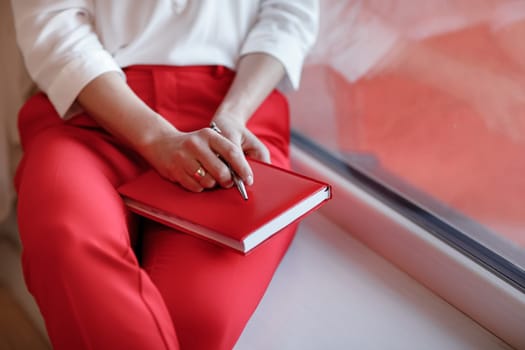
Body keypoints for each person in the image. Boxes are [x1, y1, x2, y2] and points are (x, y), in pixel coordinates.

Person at [9, 1, 319, 349]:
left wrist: (232, 117)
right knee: (64, 241)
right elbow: (52, 21)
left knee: (196, 318)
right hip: (94, 104)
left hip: (236, 119)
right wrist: (156, 138)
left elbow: (290, 14)